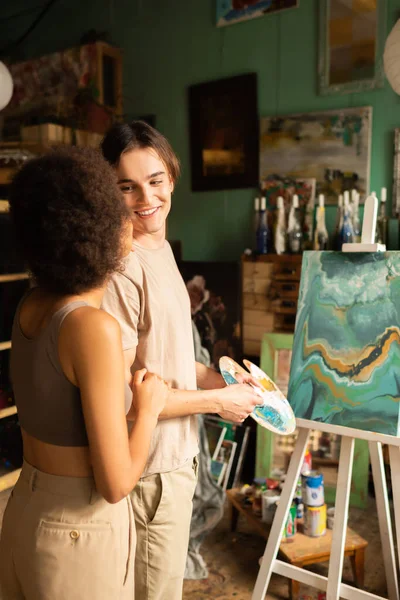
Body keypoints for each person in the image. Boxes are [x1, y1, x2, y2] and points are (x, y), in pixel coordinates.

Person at [0, 146, 169, 600]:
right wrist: (149, 408)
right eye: (118, 210)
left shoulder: (31, 306)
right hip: (76, 530)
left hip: (23, 513)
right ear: (96, 230)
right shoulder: (92, 328)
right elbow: (115, 483)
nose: (129, 220)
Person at [101, 121, 261, 600]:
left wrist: (216, 378)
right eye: (125, 187)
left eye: (153, 181)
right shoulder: (120, 267)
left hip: (178, 457)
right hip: (147, 467)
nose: (144, 198)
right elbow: (129, 395)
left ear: (172, 178)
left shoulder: (161, 250)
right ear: (108, 192)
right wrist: (216, 402)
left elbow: (167, 361)